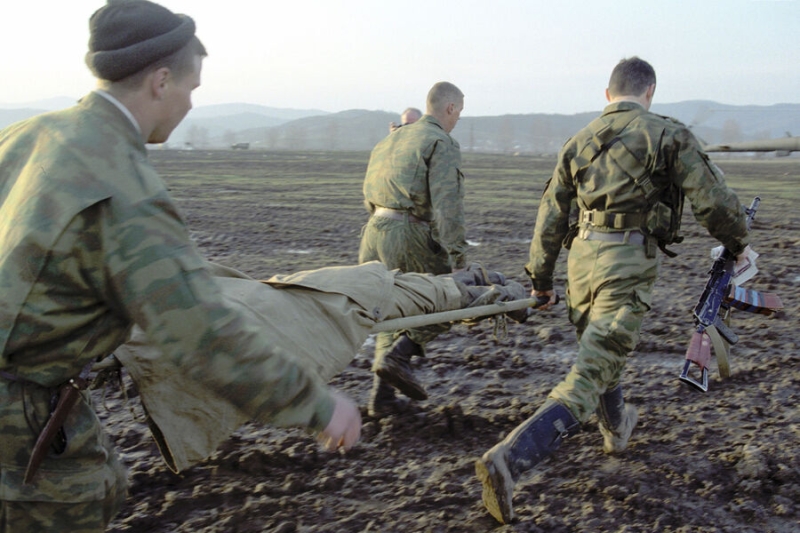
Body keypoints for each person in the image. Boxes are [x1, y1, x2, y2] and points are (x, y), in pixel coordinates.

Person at [0, 2, 361, 531]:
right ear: (161, 82)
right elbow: (200, 330)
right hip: (22, 416)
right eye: (193, 89)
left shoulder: (29, 135)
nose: (192, 105)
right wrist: (317, 404)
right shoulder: (123, 186)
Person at [475, 57, 753, 524]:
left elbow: (550, 217)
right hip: (627, 260)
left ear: (608, 95)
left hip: (581, 262)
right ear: (650, 92)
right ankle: (511, 458)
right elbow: (713, 201)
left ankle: (617, 430)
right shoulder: (667, 134)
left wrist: (541, 281)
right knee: (591, 369)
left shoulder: (578, 141)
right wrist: (738, 243)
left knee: (600, 350)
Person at [112, 260, 529, 474]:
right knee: (406, 289)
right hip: (341, 292)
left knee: (408, 288)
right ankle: (473, 285)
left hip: (339, 287)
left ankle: (474, 285)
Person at [359, 82, 467, 417]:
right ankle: (400, 355)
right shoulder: (441, 142)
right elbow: (448, 206)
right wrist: (459, 260)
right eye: (459, 112)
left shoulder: (391, 139)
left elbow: (367, 193)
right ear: (450, 108)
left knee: (388, 309)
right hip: (407, 232)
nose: (458, 120)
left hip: (373, 232)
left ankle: (382, 397)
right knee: (448, 296)